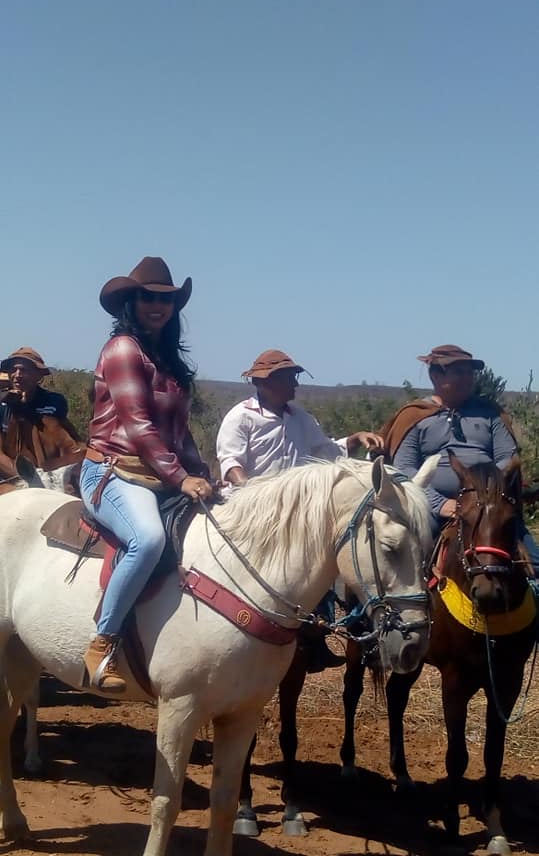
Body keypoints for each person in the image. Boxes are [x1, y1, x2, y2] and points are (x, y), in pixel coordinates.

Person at [80, 257, 213, 693]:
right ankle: (103, 642)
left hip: (157, 474)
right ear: (132, 302)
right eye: (149, 297)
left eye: (166, 299)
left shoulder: (167, 360)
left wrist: (202, 472)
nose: (158, 306)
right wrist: (181, 478)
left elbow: (179, 432)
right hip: (113, 471)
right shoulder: (123, 350)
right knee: (148, 539)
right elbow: (138, 425)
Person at [216, 348, 384, 671]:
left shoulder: (301, 419)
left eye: (293, 378)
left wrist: (357, 438)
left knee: (315, 562)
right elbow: (231, 464)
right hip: (250, 513)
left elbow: (327, 449)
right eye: (288, 379)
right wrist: (255, 495)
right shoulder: (240, 417)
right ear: (265, 382)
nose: (295, 385)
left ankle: (313, 636)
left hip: (294, 517)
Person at [380, 343, 539, 573]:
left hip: (487, 504)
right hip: (430, 509)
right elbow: (405, 468)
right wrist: (440, 504)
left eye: (470, 372)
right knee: (399, 559)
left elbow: (508, 457)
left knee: (531, 561)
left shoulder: (490, 412)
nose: (468, 378)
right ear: (435, 375)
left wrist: (487, 493)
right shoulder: (414, 416)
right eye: (459, 372)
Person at [0, 347, 84, 480]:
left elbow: (54, 437)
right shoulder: (3, 404)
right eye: (13, 370)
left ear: (38, 375)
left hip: (50, 473)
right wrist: (22, 478)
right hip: (13, 475)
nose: (17, 374)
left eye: (24, 370)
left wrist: (23, 406)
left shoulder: (54, 401)